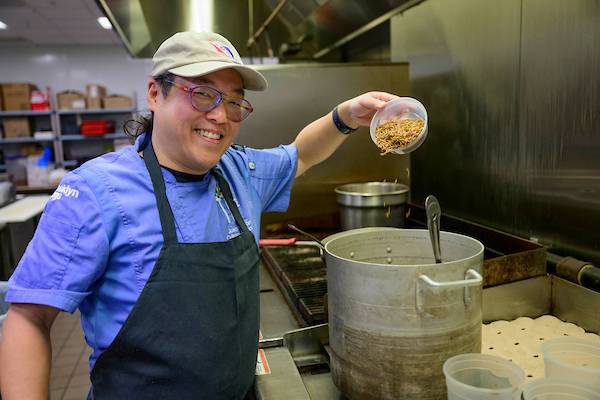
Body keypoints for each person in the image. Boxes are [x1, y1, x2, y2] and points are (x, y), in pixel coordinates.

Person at [0, 31, 401, 399]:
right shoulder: (94, 192)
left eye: (233, 101)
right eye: (203, 95)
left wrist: (347, 116)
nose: (220, 116)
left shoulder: (239, 171)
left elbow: (302, 155)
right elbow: (29, 318)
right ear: (155, 94)